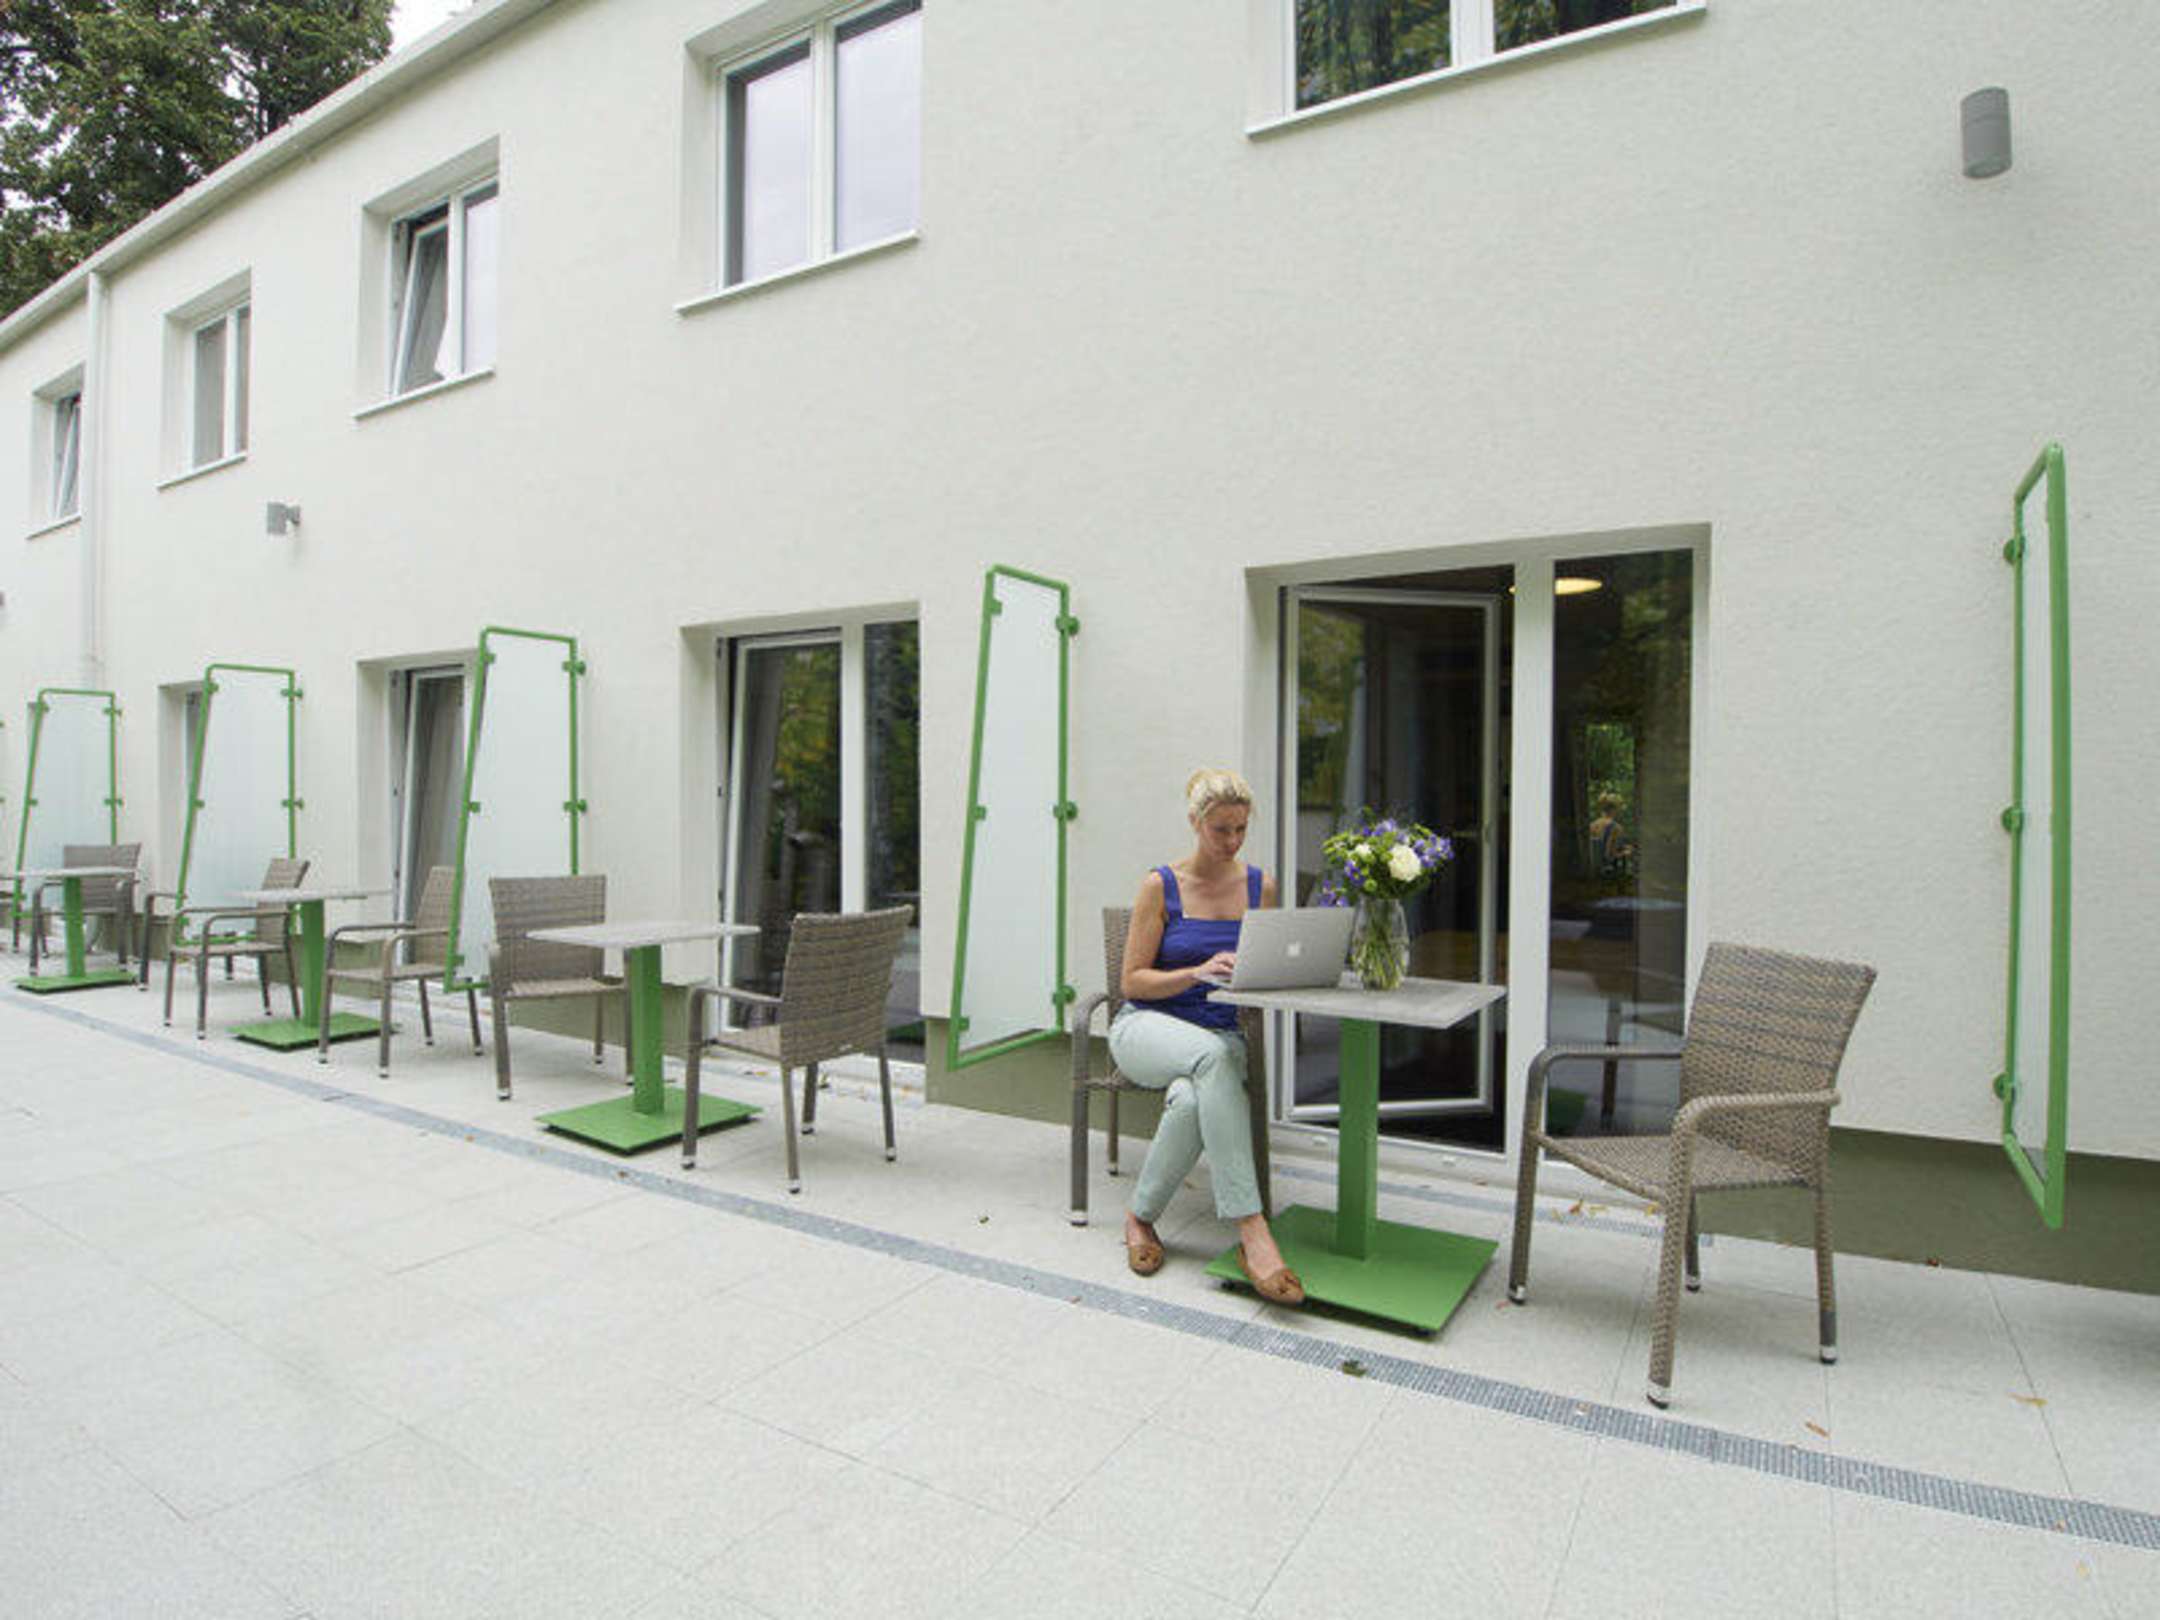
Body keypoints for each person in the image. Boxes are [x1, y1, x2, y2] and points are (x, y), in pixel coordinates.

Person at [1111, 768, 1303, 1304]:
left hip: (1219, 1036)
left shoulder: (1261, 887)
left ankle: (1139, 1217)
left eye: (1241, 829)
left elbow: (1266, 967)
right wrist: (1194, 973)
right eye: (1221, 829)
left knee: (1193, 1097)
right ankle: (1251, 1228)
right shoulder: (1161, 885)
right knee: (1212, 1059)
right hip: (1146, 1029)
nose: (1232, 841)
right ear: (1195, 822)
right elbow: (1131, 982)